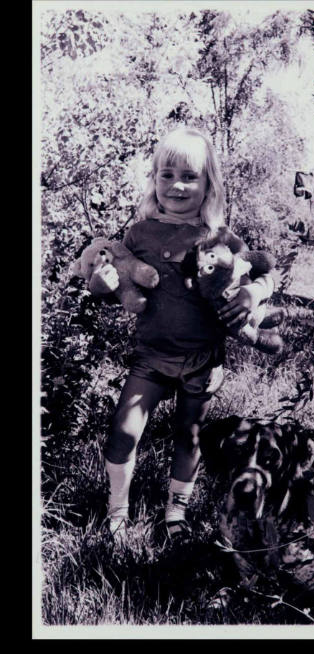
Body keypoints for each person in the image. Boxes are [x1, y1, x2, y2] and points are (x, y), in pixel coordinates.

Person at [89, 127, 274, 543]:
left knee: (189, 435)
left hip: (202, 359)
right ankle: (117, 514)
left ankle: (177, 513)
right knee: (123, 430)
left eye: (189, 176)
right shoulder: (139, 234)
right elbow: (120, 285)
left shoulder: (221, 239)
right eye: (167, 174)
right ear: (154, 179)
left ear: (209, 184)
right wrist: (105, 283)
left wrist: (251, 292)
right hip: (151, 357)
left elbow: (266, 271)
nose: (177, 185)